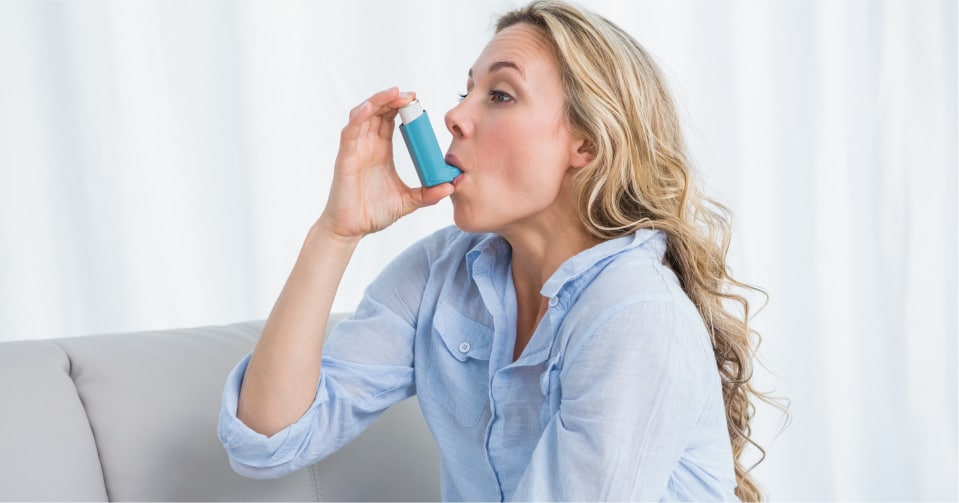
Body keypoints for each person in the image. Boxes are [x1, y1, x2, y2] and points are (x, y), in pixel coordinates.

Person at [218, 0, 772, 500]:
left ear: (587, 144)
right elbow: (267, 441)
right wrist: (336, 232)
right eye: (467, 91)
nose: (455, 116)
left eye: (500, 95)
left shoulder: (635, 315)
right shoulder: (443, 271)